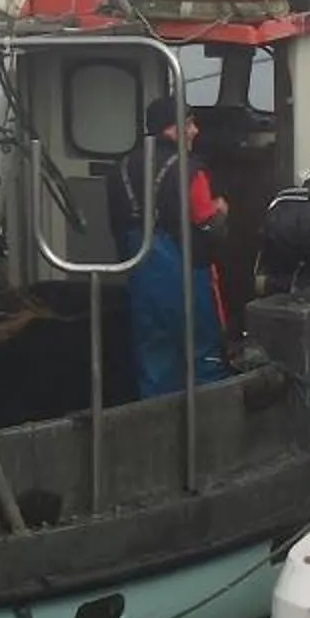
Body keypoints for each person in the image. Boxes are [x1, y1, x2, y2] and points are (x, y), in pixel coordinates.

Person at [111, 94, 231, 398]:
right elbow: (208, 226)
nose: (195, 132)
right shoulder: (191, 169)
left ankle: (154, 430)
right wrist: (221, 210)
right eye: (189, 124)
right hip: (186, 276)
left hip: (140, 275)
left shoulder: (121, 168)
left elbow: (117, 225)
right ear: (171, 128)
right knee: (205, 354)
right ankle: (210, 426)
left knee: (154, 361)